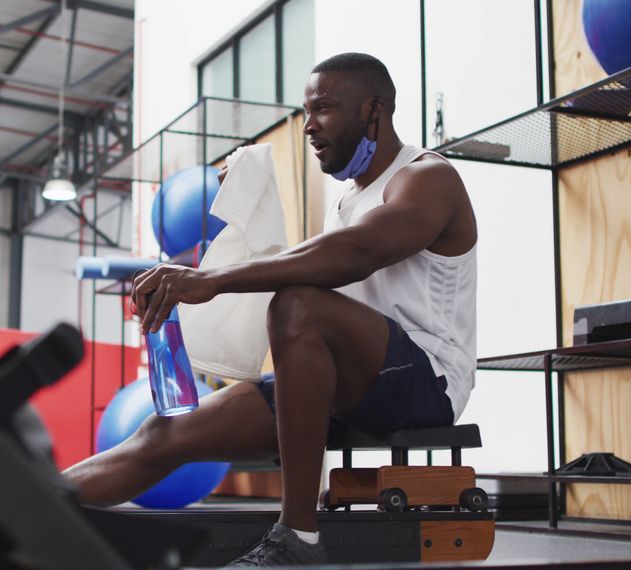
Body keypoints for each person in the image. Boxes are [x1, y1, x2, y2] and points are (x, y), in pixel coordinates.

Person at [63, 52, 477, 567]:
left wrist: (212, 279)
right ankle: (17, 505)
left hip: (426, 383)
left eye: (322, 108)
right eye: (306, 111)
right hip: (351, 384)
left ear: (374, 109)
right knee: (164, 433)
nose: (308, 126)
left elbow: (354, 256)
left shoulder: (426, 178)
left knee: (298, 307)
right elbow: (313, 257)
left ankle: (297, 540)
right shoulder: (349, 199)